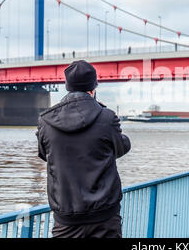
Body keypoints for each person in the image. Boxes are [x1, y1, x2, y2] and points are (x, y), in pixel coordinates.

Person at [36, 60, 131, 238]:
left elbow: (44, 154)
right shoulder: (107, 117)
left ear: (68, 86)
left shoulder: (46, 121)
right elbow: (120, 148)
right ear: (93, 88)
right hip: (105, 216)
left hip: (66, 217)